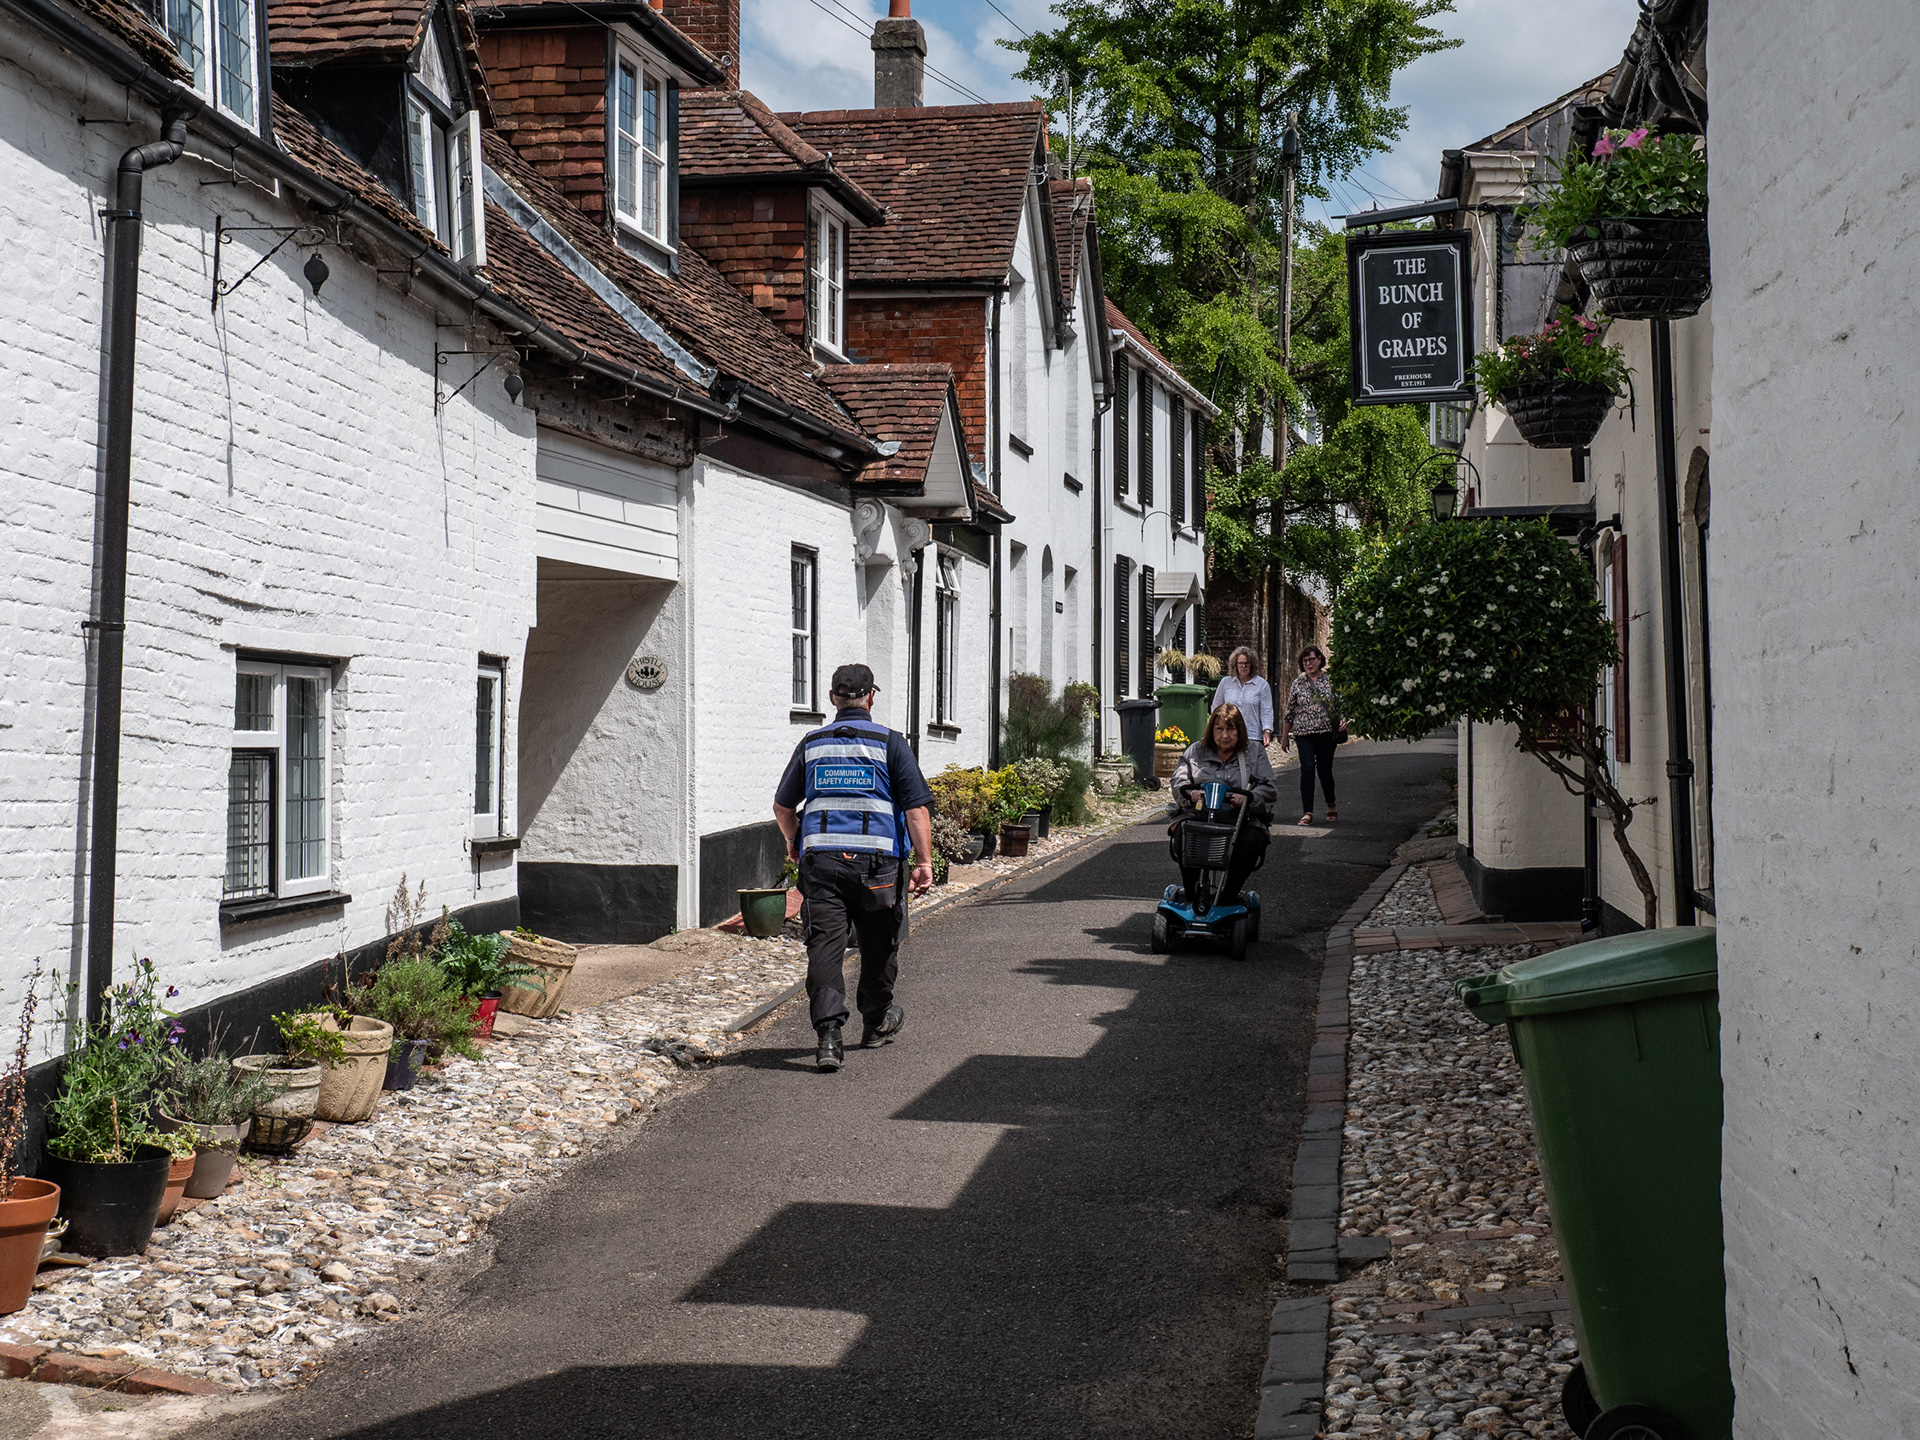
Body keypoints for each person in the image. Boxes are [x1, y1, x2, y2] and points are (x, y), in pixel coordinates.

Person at [773, 663, 934, 1072]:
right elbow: (915, 808)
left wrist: (794, 841)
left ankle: (829, 1037)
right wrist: (925, 861)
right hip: (877, 866)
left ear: (831, 699)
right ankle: (877, 1020)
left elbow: (783, 806)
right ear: (871, 698)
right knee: (879, 943)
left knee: (825, 945)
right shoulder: (890, 743)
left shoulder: (813, 743)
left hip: (822, 862)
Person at [1166, 702, 1277, 907]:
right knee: (1183, 833)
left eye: (1230, 729)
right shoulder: (1195, 752)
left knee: (1253, 839)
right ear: (1212, 730)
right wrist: (1191, 794)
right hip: (1199, 816)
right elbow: (1178, 782)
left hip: (1241, 819)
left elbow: (1269, 789)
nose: (1224, 735)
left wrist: (1248, 799)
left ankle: (1228, 897)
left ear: (1240, 730)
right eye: (1219, 729)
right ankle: (1192, 894)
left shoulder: (1254, 752)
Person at [1280, 645, 1340, 825]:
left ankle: (1331, 803)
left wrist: (1342, 721)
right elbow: (1290, 711)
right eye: (1305, 661)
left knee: (1325, 771)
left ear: (1320, 660)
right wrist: (1284, 736)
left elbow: (1339, 706)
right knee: (1306, 770)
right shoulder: (1298, 683)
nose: (1308, 663)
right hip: (1303, 734)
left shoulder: (1329, 681)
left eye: (1311, 659)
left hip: (1325, 733)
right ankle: (1307, 812)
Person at [1212, 645, 1275, 747]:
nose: (1243, 666)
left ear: (1252, 665)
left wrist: (1267, 731)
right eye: (1240, 663)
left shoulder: (1262, 685)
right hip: (1229, 736)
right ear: (1235, 665)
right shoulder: (1225, 683)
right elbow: (1216, 708)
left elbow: (1266, 711)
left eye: (1247, 663)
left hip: (1252, 736)